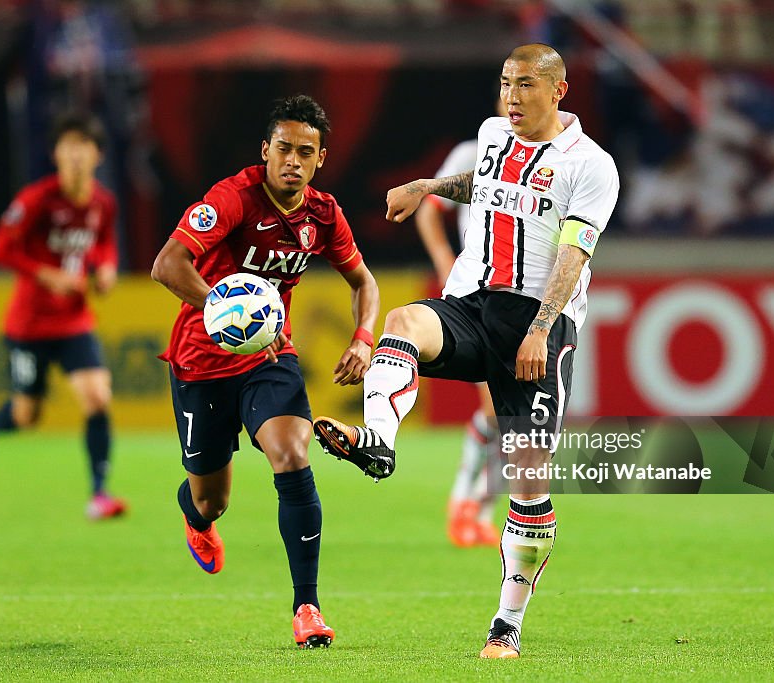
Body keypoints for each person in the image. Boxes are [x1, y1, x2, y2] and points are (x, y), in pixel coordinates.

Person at [314, 44, 619, 658]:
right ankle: (378, 442)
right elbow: (481, 185)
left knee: (527, 483)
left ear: (559, 91)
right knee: (402, 323)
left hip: (535, 326)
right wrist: (427, 185)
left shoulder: (591, 165)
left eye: (526, 84)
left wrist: (541, 328)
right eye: (506, 82)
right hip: (472, 304)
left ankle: (506, 625)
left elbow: (574, 252)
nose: (512, 95)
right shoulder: (491, 135)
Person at [151, 95, 379, 649]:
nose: (293, 161)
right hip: (201, 363)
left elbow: (364, 282)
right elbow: (167, 264)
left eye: (306, 152)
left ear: (320, 159)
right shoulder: (232, 198)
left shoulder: (323, 215)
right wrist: (222, 307)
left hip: (270, 359)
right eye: (284, 149)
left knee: (292, 453)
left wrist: (364, 338)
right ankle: (196, 519)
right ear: (265, 151)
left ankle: (308, 606)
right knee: (212, 499)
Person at [0, 112, 126, 521]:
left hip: (74, 322)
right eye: (67, 147)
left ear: (98, 155)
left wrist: (107, 268)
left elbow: (105, 245)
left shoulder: (103, 203)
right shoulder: (37, 199)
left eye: (83, 147)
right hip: (30, 325)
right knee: (26, 416)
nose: (75, 155)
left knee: (97, 398)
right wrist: (47, 275)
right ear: (56, 153)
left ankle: (99, 493)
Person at [414, 99, 508, 549]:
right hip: (479, 294)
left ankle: (478, 510)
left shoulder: (553, 161)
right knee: (498, 409)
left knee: (514, 416)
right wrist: (444, 261)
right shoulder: (475, 152)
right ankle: (466, 505)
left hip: (522, 295)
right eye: (507, 94)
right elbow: (429, 209)